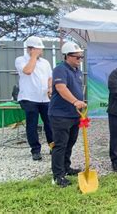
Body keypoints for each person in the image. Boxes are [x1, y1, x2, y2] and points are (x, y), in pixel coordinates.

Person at [49, 42, 86, 188]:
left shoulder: (77, 71)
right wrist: (75, 101)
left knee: (70, 143)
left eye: (81, 57)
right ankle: (58, 175)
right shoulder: (60, 69)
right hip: (60, 114)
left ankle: (66, 167)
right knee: (60, 145)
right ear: (67, 56)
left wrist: (79, 104)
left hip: (73, 115)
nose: (79, 59)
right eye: (77, 57)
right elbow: (61, 88)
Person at [15, 36, 53, 161]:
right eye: (38, 49)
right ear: (30, 49)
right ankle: (35, 150)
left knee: (49, 123)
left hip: (44, 98)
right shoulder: (21, 60)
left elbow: (49, 77)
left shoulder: (45, 62)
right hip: (29, 97)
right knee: (32, 124)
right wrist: (33, 57)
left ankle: (53, 146)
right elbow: (28, 71)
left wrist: (50, 87)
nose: (41, 52)